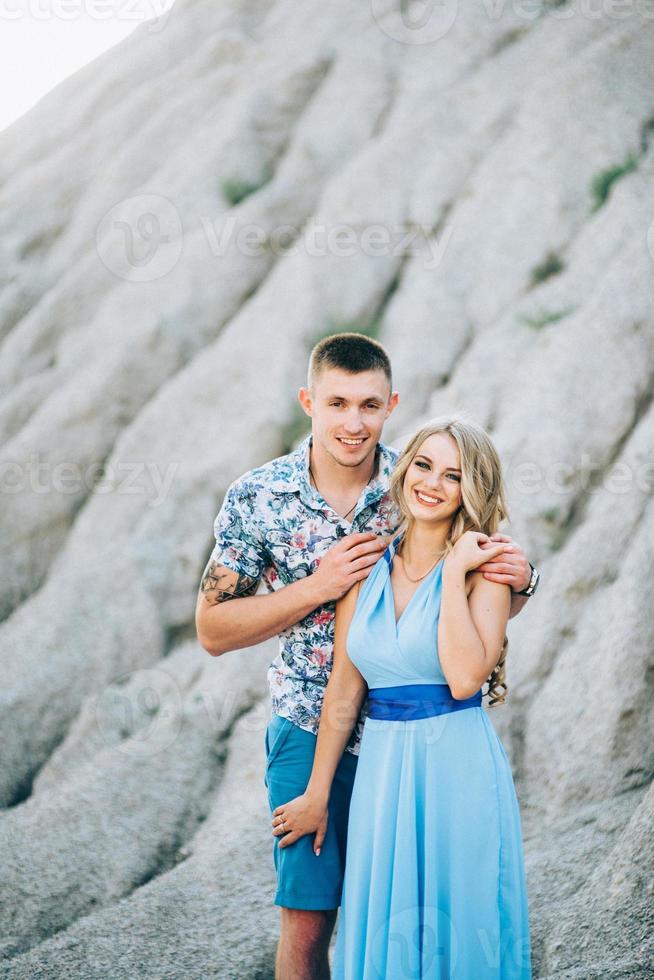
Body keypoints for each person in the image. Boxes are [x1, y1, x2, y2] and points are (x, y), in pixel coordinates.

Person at [195, 334, 538, 980]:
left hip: (406, 737)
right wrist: (317, 588)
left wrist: (522, 580)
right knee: (307, 916)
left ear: (391, 406)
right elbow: (212, 630)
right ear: (309, 402)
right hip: (309, 723)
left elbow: (474, 584)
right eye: (337, 403)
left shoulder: (411, 477)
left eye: (370, 405)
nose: (353, 422)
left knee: (420, 913)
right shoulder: (259, 497)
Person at [271, 416, 532, 979]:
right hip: (383, 773)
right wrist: (318, 793)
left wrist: (457, 568)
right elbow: (344, 684)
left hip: (455, 768)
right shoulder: (365, 568)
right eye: (423, 465)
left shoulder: (486, 571)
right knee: (384, 924)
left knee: (458, 927)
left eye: (453, 475)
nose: (432, 483)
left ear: (473, 489)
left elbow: (464, 678)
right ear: (404, 468)